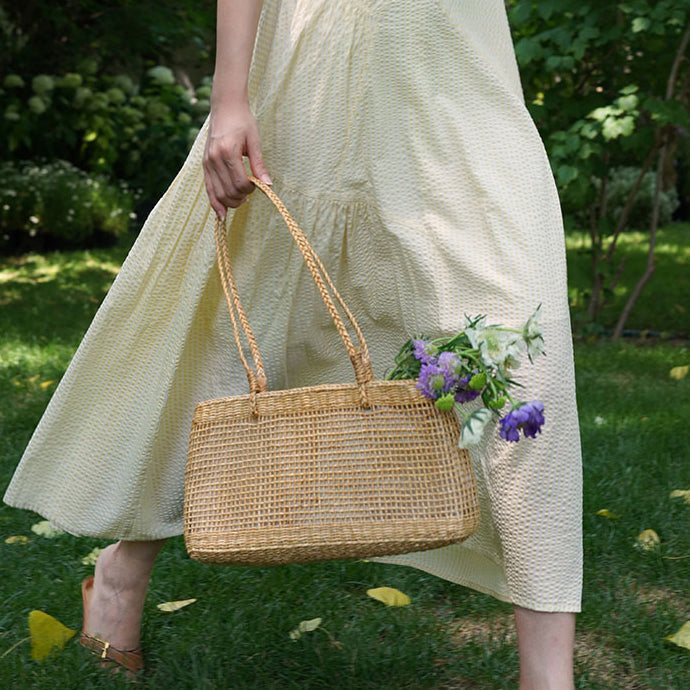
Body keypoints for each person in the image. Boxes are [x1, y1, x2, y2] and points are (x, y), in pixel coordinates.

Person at [4, 1, 582, 687]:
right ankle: (121, 579)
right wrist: (229, 98)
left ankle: (547, 676)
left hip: (455, 78)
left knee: (524, 352)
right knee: (235, 335)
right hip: (309, 64)